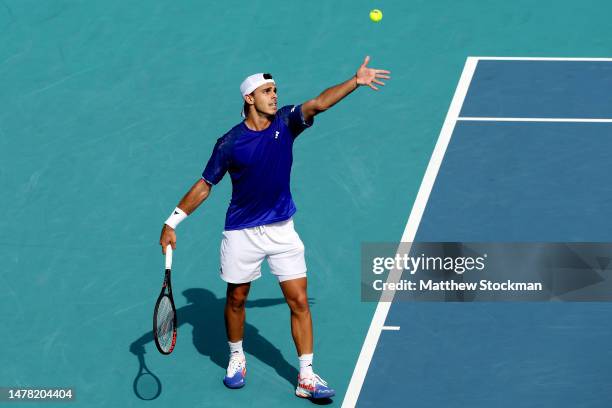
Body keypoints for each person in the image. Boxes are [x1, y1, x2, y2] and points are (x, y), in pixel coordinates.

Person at [159, 56, 390, 400]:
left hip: (282, 229)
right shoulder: (230, 143)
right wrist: (172, 221)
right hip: (242, 232)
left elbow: (318, 104)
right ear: (249, 98)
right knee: (236, 298)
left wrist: (354, 82)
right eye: (267, 91)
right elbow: (206, 184)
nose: (274, 95)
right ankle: (236, 357)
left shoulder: (287, 122)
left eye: (276, 90)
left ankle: (307, 376)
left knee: (298, 300)